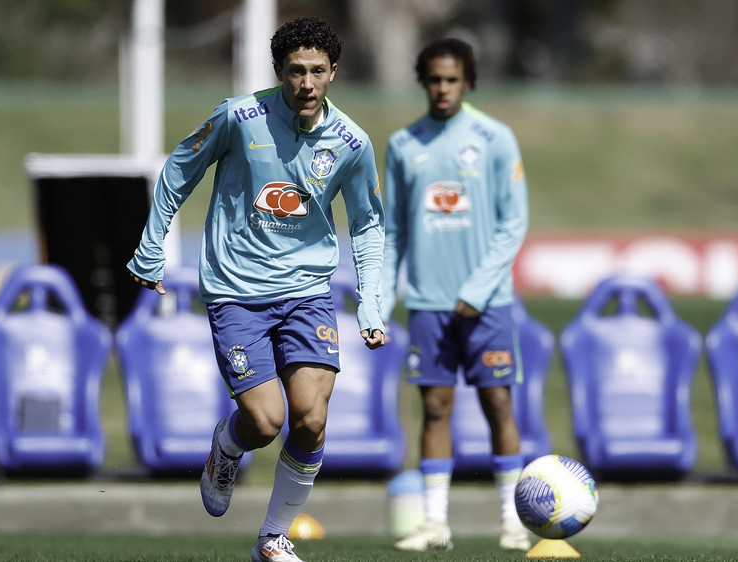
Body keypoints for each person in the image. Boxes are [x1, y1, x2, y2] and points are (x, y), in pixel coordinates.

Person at [127, 17, 386, 562]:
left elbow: (366, 224)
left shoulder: (351, 143)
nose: (307, 83)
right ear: (279, 72)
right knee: (265, 421)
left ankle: (272, 537)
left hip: (308, 291)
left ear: (334, 73)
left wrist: (373, 302)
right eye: (296, 71)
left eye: (318, 71)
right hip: (236, 289)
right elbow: (178, 170)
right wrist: (152, 247)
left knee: (311, 419)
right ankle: (226, 447)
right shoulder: (238, 117)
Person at [380, 38, 532, 553]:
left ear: (468, 81)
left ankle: (513, 521)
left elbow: (514, 223)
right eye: (434, 79)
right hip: (428, 303)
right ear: (422, 80)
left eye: (452, 79)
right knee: (436, 408)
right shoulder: (403, 144)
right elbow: (393, 231)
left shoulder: (495, 138)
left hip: (487, 303)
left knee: (497, 403)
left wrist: (477, 289)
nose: (443, 88)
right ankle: (434, 523)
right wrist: (381, 301)